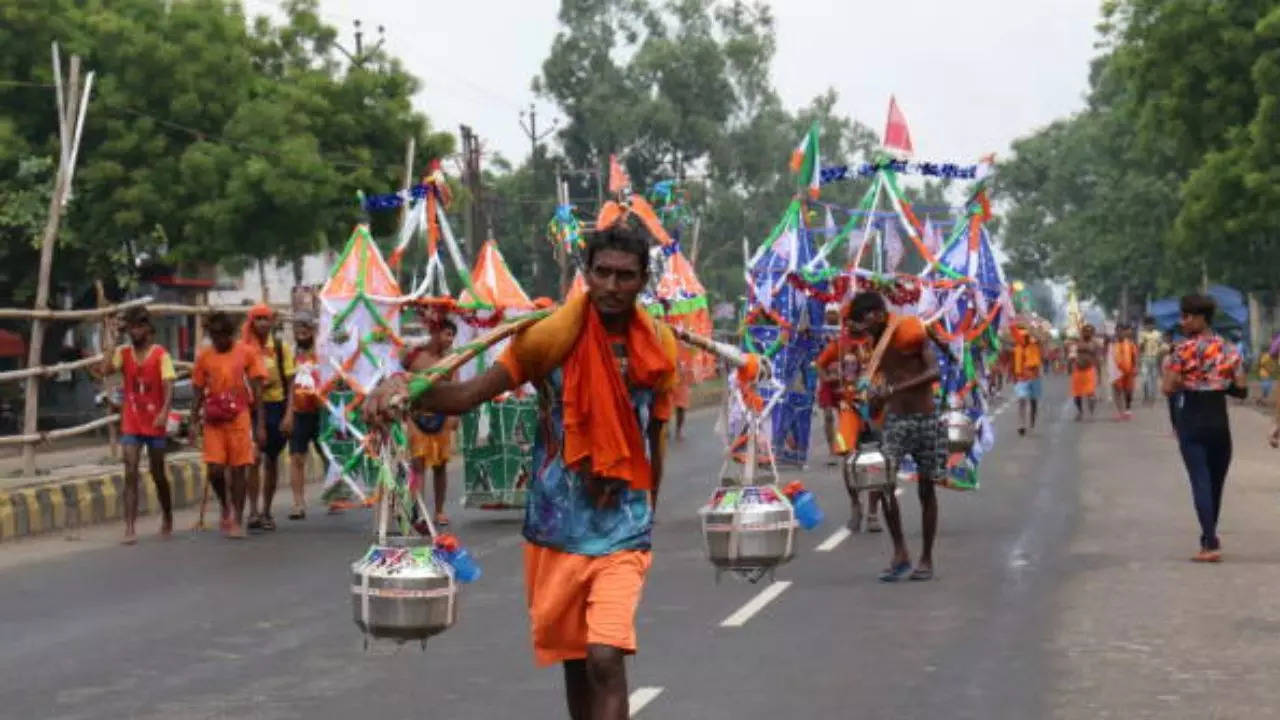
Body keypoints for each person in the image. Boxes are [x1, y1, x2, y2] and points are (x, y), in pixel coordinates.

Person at [365, 220, 676, 720]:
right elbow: (467, 395)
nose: (613, 287)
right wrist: (405, 389)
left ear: (643, 281)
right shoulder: (546, 341)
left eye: (626, 276)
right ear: (587, 275)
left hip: (623, 530)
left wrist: (649, 511)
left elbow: (655, 437)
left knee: (605, 657)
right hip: (555, 528)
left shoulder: (657, 348)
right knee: (575, 661)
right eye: (603, 274)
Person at [845, 291, 942, 582]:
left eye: (862, 323)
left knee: (927, 488)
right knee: (883, 482)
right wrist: (875, 399)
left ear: (875, 315)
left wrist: (896, 389)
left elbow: (933, 371)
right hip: (896, 420)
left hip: (925, 417)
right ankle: (900, 552)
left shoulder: (908, 329)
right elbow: (884, 383)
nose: (860, 331)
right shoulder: (876, 344)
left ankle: (926, 558)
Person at [1165, 294, 1244, 563]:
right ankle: (1209, 537)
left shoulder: (1182, 350)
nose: (1183, 321)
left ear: (1200, 318)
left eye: (1186, 316)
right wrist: (1217, 382)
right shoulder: (1230, 350)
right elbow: (1242, 388)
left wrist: (1188, 381)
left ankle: (1209, 543)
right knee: (1215, 484)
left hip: (1192, 418)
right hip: (1219, 421)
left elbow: (1168, 386)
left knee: (1200, 481)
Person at [96, 307, 175, 544]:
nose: (135, 331)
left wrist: (164, 412)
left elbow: (168, 385)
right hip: (131, 419)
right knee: (130, 470)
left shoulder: (161, 354)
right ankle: (130, 527)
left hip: (154, 420)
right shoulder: (124, 353)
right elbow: (105, 369)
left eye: (139, 326)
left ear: (148, 329)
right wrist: (111, 340)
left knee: (157, 471)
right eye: (132, 327)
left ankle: (167, 515)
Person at [191, 312, 267, 539]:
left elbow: (258, 391)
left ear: (231, 334)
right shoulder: (204, 357)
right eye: (214, 336)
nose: (218, 341)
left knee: (238, 470)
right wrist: (193, 421)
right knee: (214, 469)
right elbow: (197, 391)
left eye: (222, 336)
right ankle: (226, 504)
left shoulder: (247, 353)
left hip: (239, 418)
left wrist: (260, 424)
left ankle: (237, 518)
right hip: (214, 419)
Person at [815, 310, 879, 531]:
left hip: (874, 408)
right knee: (848, 459)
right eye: (851, 318)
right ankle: (855, 505)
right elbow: (820, 364)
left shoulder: (876, 342)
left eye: (859, 317)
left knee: (877, 460)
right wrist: (830, 381)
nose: (855, 323)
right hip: (848, 409)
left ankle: (873, 512)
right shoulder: (839, 344)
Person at [241, 304, 294, 531]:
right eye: (258, 318)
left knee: (271, 460)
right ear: (251, 322)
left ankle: (266, 511)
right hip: (251, 408)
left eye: (266, 319)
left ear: (272, 322)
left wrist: (289, 414)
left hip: (276, 407)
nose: (262, 323)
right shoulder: (243, 348)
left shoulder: (281, 349)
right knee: (253, 459)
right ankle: (252, 511)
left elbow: (291, 384)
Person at [403, 320, 458, 528]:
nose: (450, 339)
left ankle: (439, 511)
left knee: (440, 466)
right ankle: (418, 511)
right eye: (447, 333)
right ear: (435, 332)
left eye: (452, 335)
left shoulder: (452, 359)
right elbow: (401, 379)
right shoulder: (415, 356)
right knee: (417, 465)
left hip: (442, 415)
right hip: (417, 415)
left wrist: (455, 414)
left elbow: (455, 386)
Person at [283, 311, 323, 520]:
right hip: (298, 412)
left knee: (327, 453)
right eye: (298, 328)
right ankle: (298, 503)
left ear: (313, 331)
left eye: (306, 328)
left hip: (321, 410)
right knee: (297, 457)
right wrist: (287, 414)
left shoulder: (323, 352)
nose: (302, 332)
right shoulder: (289, 353)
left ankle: (336, 493)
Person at [816, 305, 842, 467]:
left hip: (845, 378)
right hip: (826, 378)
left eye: (834, 313)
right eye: (828, 314)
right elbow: (818, 361)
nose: (831, 316)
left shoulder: (845, 332)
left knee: (846, 413)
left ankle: (845, 445)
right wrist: (825, 377)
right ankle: (832, 449)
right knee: (827, 415)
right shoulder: (819, 332)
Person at [1010, 321, 1043, 436]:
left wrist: (1032, 329)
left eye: (1026, 336)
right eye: (1022, 336)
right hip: (1021, 378)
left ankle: (1032, 423)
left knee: (1034, 402)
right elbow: (1013, 363)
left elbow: (1041, 339)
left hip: (1034, 377)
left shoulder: (1034, 345)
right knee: (1022, 400)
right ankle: (1022, 424)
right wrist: (1013, 376)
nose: (1024, 338)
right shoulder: (1017, 349)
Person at [1069, 324, 1103, 421]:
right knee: (1077, 394)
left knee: (1090, 394)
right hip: (1077, 370)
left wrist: (1099, 374)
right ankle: (1080, 412)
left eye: (1089, 331)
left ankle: (1091, 408)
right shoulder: (1076, 343)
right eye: (1085, 331)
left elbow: (1097, 359)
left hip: (1089, 370)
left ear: (1092, 333)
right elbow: (1072, 356)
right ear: (1082, 332)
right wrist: (1069, 366)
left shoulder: (1095, 344)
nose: (1087, 333)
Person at [1109, 323, 1139, 419]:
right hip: (1116, 372)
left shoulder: (1130, 344)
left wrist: (1136, 367)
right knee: (1117, 391)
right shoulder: (1113, 344)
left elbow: (1135, 357)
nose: (1119, 333)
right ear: (1115, 332)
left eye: (1121, 331)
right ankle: (1119, 412)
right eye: (1117, 331)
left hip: (1128, 371)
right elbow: (1109, 358)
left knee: (1128, 391)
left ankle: (1128, 409)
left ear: (1124, 332)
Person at [1138, 316, 1164, 405]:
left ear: (1154, 325)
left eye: (1151, 324)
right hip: (1145, 358)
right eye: (1148, 324)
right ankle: (1145, 396)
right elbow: (1140, 348)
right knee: (1145, 379)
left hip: (1155, 358)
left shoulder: (1158, 334)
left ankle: (1152, 397)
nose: (1150, 326)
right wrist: (1143, 342)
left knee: (1153, 379)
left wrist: (1160, 359)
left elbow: (1161, 346)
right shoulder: (1142, 334)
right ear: (1145, 325)